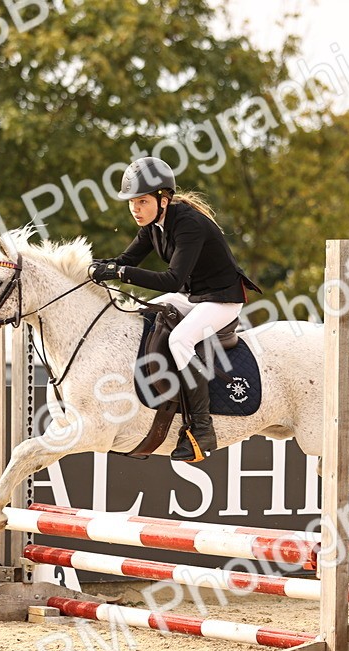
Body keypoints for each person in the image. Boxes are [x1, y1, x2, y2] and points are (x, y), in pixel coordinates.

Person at [89, 157, 260, 462]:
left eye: (141, 201)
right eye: (132, 202)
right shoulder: (153, 225)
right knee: (145, 315)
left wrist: (119, 273)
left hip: (222, 300)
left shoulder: (188, 224)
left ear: (163, 200)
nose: (134, 209)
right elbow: (126, 260)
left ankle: (203, 428)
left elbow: (172, 278)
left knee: (179, 340)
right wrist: (97, 267)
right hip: (194, 297)